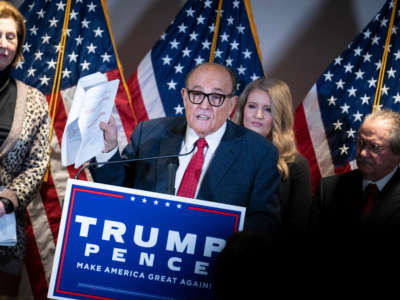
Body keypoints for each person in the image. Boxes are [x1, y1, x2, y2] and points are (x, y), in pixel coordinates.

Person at [91, 62, 281, 232]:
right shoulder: (149, 133)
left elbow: (263, 225)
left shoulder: (259, 153)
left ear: (232, 104)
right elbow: (115, 194)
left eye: (216, 97)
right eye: (196, 94)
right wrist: (108, 149)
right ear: (184, 96)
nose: (204, 105)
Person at [0, 1, 50, 297]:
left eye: (11, 37)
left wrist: (5, 202)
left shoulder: (34, 101)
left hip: (4, 232)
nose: (4, 43)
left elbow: (38, 165)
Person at [232, 78, 312, 235]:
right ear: (242, 109)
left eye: (268, 109)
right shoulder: (220, 152)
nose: (258, 115)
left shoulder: (296, 165)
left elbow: (296, 230)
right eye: (252, 106)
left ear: (280, 117)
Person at [308, 109, 400, 243]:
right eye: (361, 143)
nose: (362, 153)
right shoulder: (328, 190)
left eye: (374, 147)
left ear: (397, 153)